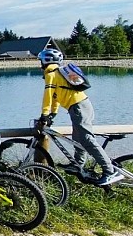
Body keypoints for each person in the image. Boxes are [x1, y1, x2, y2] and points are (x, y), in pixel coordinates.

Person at [36, 48, 123, 186]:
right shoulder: (58, 73)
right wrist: (53, 113)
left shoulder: (51, 74)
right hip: (81, 106)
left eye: (41, 61)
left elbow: (48, 96)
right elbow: (55, 96)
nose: (40, 63)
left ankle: (109, 171)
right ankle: (78, 164)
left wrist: (44, 115)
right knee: (77, 138)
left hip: (78, 108)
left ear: (45, 61)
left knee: (87, 140)